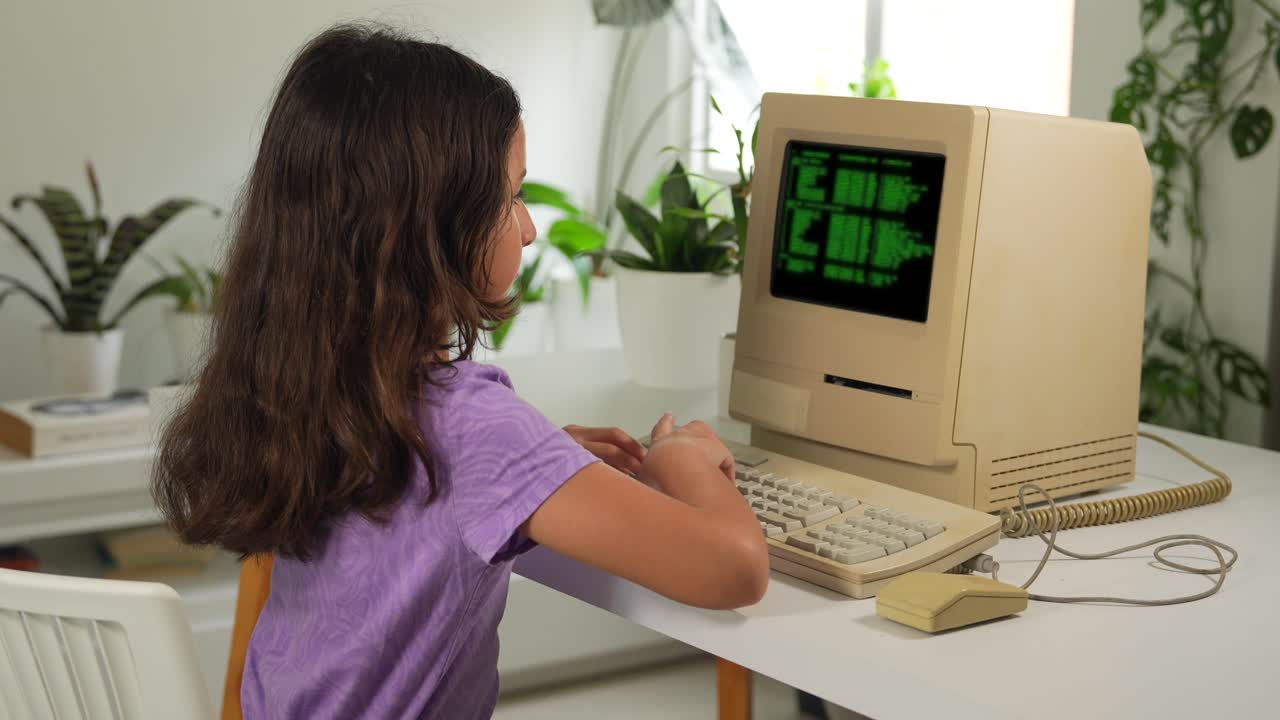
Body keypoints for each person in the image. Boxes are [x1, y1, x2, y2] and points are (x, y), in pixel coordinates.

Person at [152, 23, 769, 719]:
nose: (530, 228)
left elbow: (424, 507)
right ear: (430, 227)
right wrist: (684, 462)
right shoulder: (473, 430)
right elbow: (736, 568)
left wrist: (540, 470)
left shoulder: (306, 386)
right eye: (511, 196)